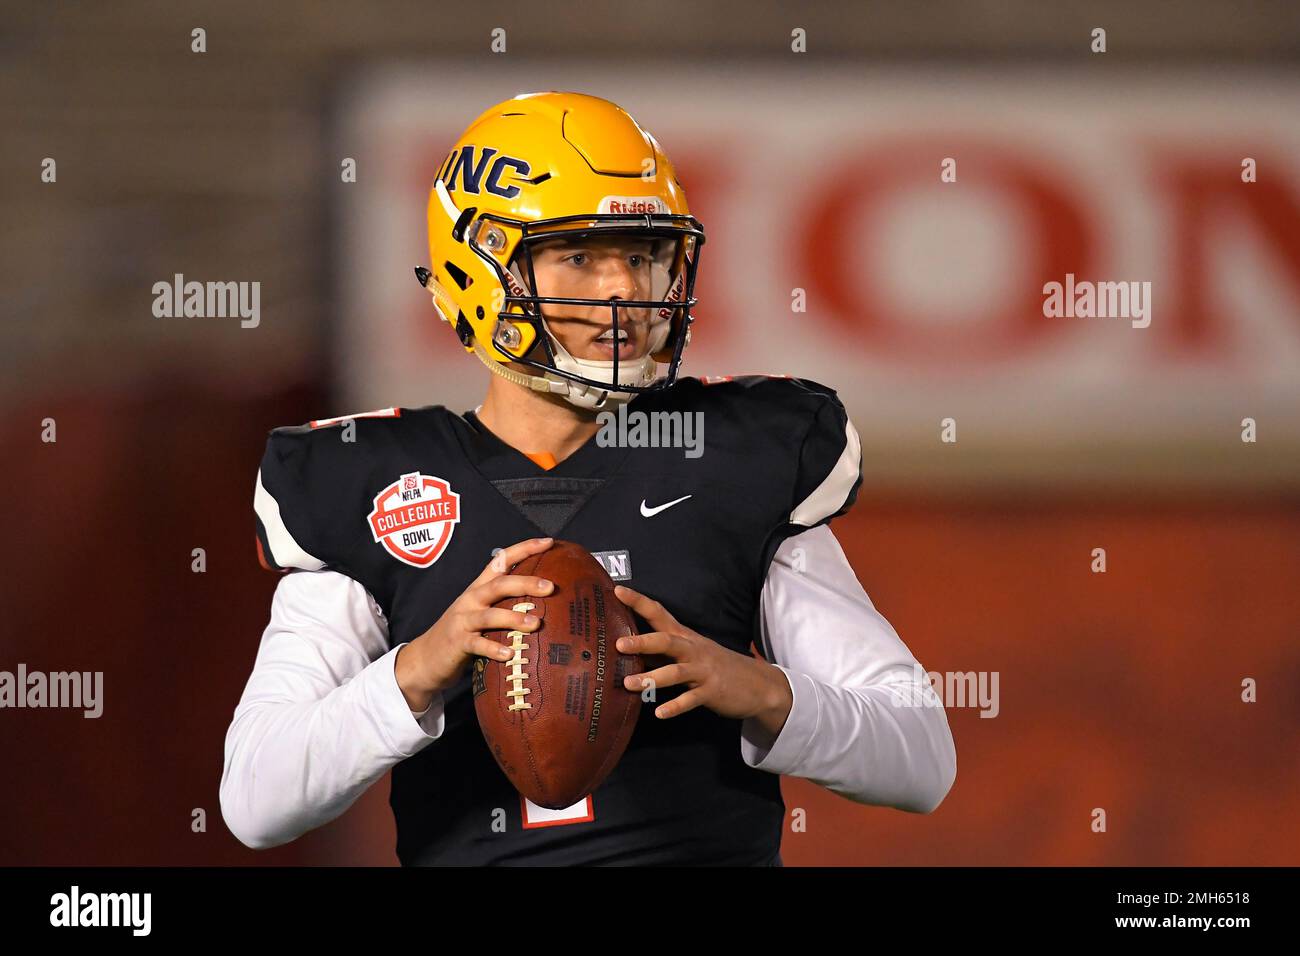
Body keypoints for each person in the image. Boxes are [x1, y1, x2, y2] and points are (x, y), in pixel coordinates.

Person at [220, 91, 956, 866]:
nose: (626, 292)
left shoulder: (734, 456)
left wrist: (761, 691)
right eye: (580, 255)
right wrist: (420, 667)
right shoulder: (373, 484)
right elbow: (257, 801)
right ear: (482, 273)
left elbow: (919, 756)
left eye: (641, 255)